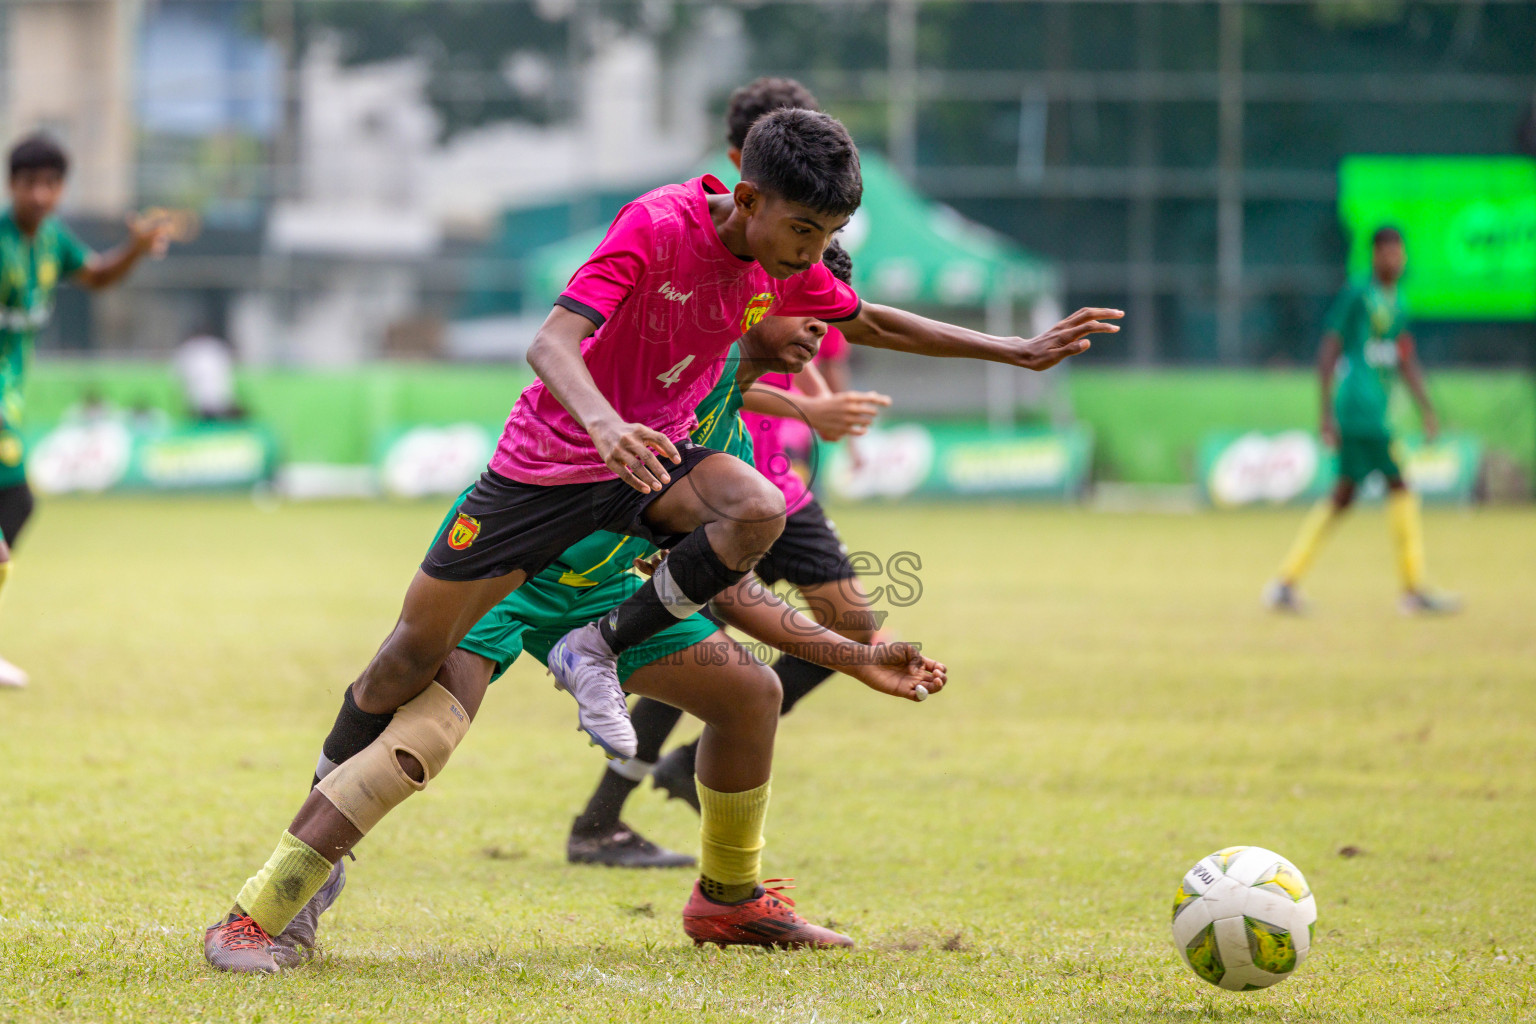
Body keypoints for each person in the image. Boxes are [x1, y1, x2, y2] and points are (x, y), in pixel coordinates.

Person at [202, 106, 1119, 970]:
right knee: (414, 709)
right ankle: (268, 905)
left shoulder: (725, 404)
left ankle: (727, 895)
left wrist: (1016, 351)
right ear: (748, 200)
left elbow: (857, 339)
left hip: (628, 516)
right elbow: (552, 343)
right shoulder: (657, 227)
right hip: (542, 486)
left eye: (820, 250)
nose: (813, 276)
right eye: (803, 239)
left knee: (751, 664)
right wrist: (602, 425)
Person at [204, 308, 947, 972]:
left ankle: (729, 900)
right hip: (508, 575)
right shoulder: (668, 372)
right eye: (805, 306)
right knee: (422, 738)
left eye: (828, 316)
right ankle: (261, 912)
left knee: (751, 693)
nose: (822, 331)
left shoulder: (727, 430)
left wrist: (858, 658)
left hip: (607, 591)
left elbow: (725, 584)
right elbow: (558, 365)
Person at [0, 133, 172, 688]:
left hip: (12, 397)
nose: (41, 194)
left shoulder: (51, 243)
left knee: (17, 505)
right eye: (30, 184)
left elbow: (96, 276)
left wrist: (137, 250)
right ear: (13, 186)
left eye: (51, 184)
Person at [1264, 226, 1458, 615]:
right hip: (1361, 410)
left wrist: (1427, 408)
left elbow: (1404, 358)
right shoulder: (1357, 294)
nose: (1394, 259)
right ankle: (1413, 589)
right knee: (1401, 485)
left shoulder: (1398, 300)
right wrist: (1324, 412)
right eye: (1387, 252)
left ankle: (1285, 583)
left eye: (1399, 252)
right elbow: (1329, 348)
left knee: (1343, 495)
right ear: (1374, 255)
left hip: (1375, 412)